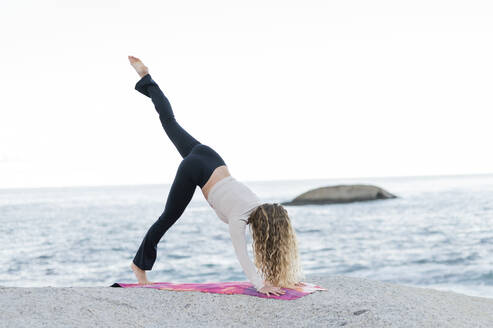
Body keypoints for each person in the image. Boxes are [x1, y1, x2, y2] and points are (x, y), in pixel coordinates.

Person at [128, 56, 305, 297]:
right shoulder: (239, 218)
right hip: (196, 168)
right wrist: (259, 284)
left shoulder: (255, 203)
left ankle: (146, 78)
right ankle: (139, 266)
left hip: (210, 156)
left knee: (170, 122)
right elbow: (242, 254)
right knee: (169, 216)